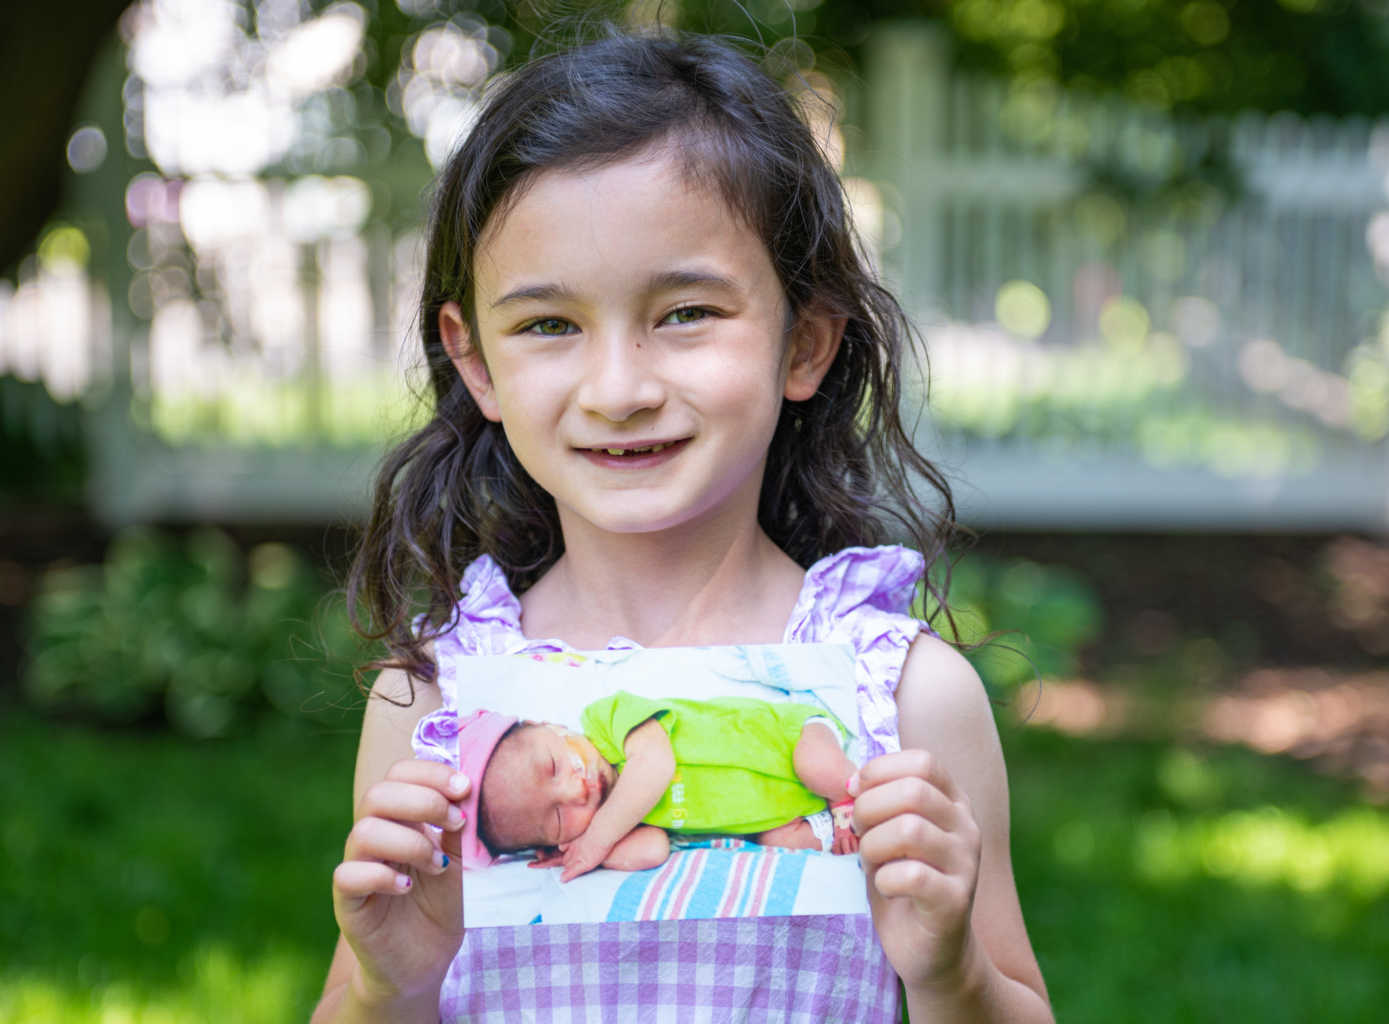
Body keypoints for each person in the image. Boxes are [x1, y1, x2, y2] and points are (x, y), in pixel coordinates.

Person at [314, 27, 1054, 1024]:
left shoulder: (909, 700)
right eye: (548, 325)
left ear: (809, 343)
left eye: (686, 312)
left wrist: (950, 973)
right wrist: (385, 985)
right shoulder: (436, 707)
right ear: (475, 360)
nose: (618, 389)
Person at [461, 693, 860, 879]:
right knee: (780, 844)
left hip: (789, 737)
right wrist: (584, 852)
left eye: (552, 766)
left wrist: (595, 836)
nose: (575, 791)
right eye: (560, 817)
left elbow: (655, 763)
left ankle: (845, 799)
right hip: (782, 810)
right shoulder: (619, 823)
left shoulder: (606, 720)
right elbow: (653, 850)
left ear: (546, 726)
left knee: (817, 766)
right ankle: (837, 823)